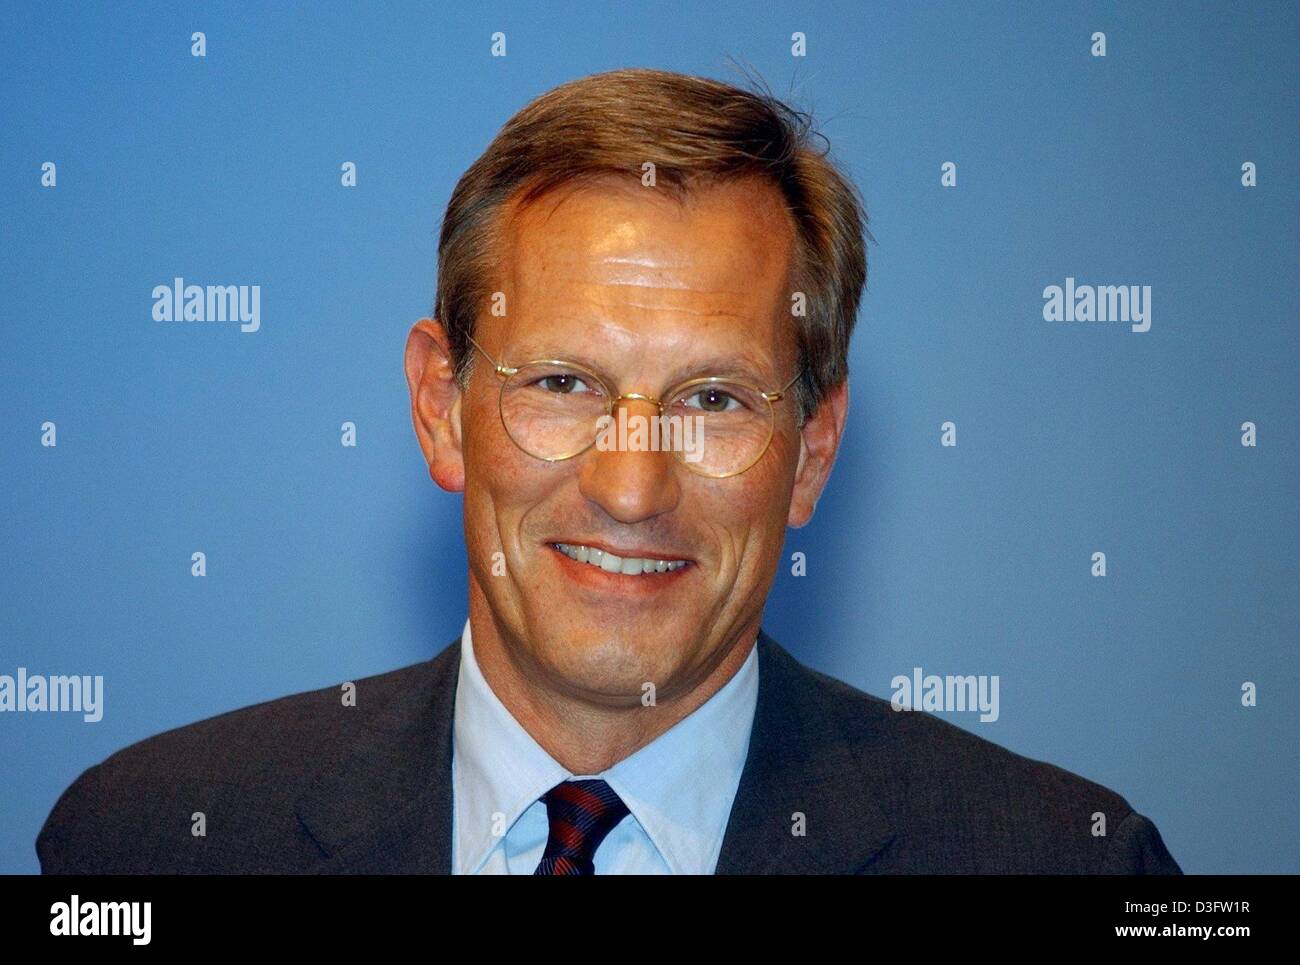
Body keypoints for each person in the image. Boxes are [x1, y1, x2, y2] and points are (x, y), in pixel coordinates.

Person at [37, 67, 1181, 875]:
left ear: (811, 456)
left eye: (714, 400)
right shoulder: (146, 838)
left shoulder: (1062, 857)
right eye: (563, 385)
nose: (631, 487)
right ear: (442, 408)